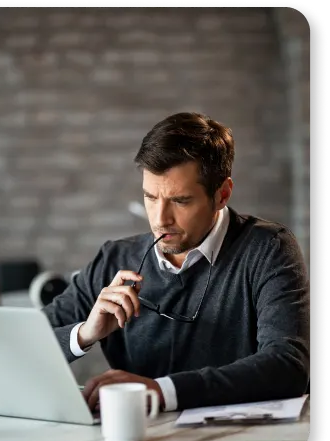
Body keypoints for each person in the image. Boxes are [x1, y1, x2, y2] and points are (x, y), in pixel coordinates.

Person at [43, 112, 310, 412]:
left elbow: (288, 365)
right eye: (150, 197)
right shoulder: (114, 259)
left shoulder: (269, 249)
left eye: (180, 201)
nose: (160, 219)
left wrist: (161, 391)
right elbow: (21, 344)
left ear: (222, 194)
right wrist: (84, 333)